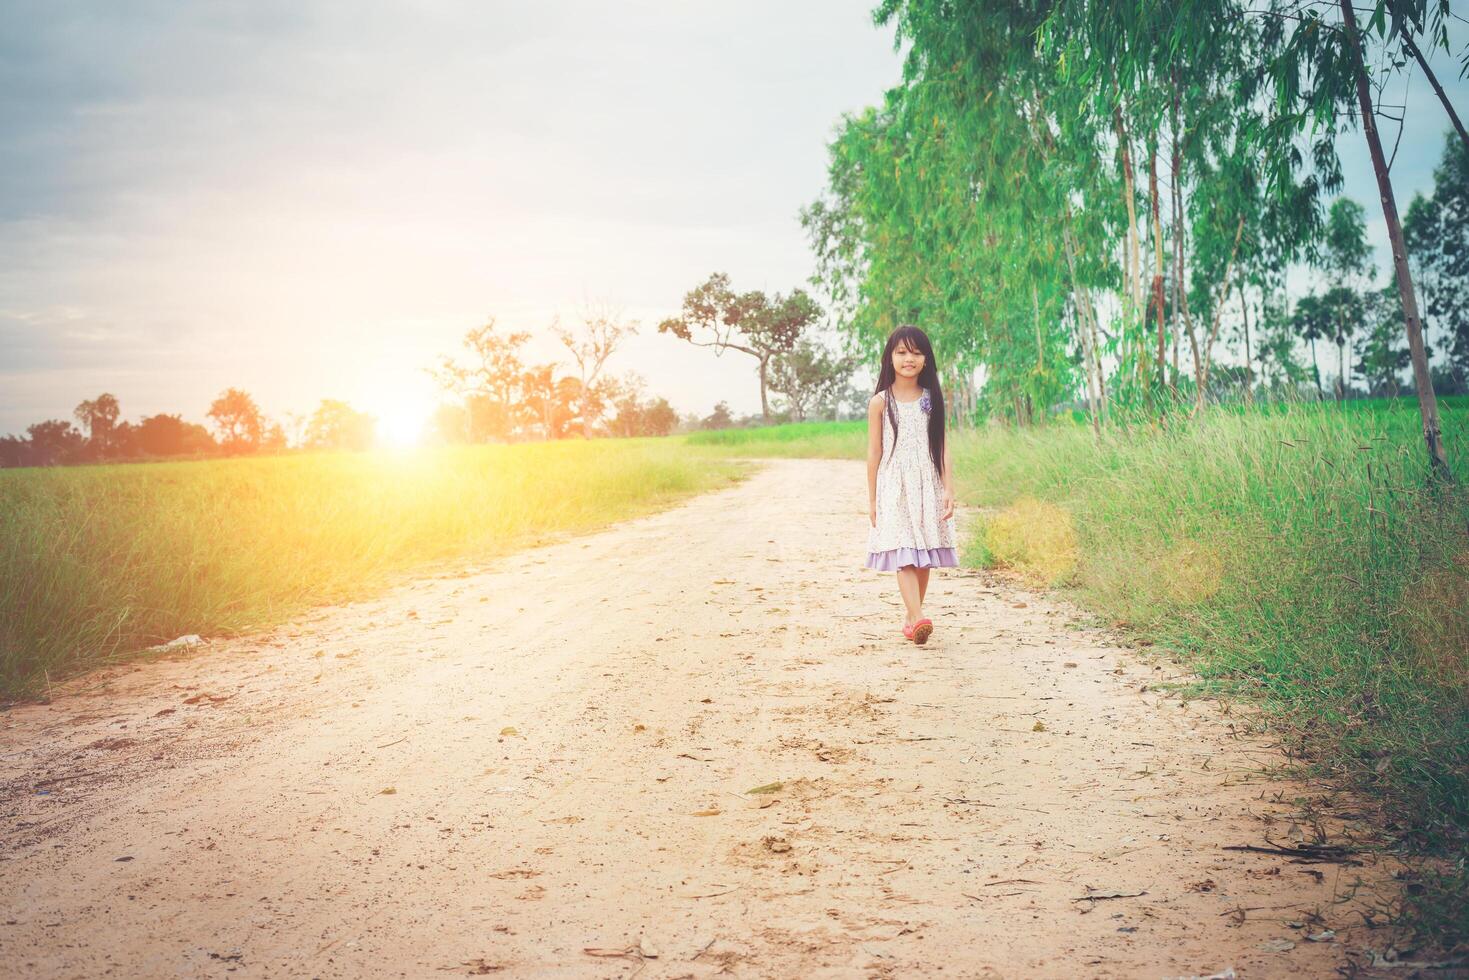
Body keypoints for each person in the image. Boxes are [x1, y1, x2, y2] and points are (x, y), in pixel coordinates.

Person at [865, 325, 957, 644]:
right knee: (905, 551)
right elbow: (874, 452)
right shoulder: (880, 402)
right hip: (894, 485)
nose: (909, 358)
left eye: (916, 352)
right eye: (902, 352)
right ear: (889, 358)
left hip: (926, 484)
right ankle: (917, 617)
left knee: (924, 553)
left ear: (926, 359)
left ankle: (911, 616)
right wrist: (873, 499)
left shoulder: (932, 400)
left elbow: (941, 446)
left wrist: (948, 488)